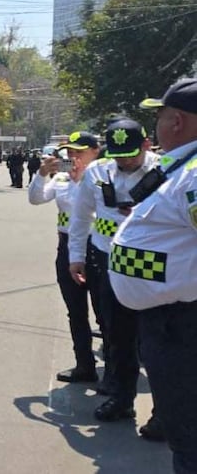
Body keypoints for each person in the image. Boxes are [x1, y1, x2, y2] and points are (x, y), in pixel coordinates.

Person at [110, 79, 197, 459]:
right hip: (169, 322)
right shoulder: (180, 167)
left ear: (176, 121)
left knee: (189, 438)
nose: (156, 125)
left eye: (159, 116)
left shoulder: (194, 175)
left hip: (181, 325)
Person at [68, 118, 159, 427]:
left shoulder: (166, 171)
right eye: (118, 154)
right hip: (108, 260)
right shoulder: (97, 172)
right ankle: (122, 399)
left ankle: (163, 412)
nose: (124, 160)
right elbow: (80, 219)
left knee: (156, 340)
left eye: (131, 154)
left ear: (146, 145)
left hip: (153, 265)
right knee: (117, 335)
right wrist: (76, 257)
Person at [28, 131, 104, 385]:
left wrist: (83, 179)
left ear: (96, 151)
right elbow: (36, 198)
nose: (73, 156)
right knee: (76, 310)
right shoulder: (61, 178)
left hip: (99, 248)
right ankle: (85, 365)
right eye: (70, 152)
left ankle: (117, 372)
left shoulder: (106, 176)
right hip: (68, 248)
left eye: (79, 151)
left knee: (106, 312)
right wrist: (41, 174)